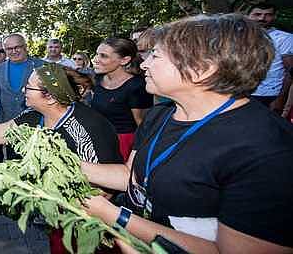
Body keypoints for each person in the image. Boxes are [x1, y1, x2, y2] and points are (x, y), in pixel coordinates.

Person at [81, 14, 293, 253]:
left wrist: (116, 217)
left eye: (156, 55)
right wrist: (67, 164)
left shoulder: (268, 151)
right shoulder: (160, 114)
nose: (144, 64)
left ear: (201, 69)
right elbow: (132, 175)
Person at [0, 63, 122, 254]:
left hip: (89, 223)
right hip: (59, 218)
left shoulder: (88, 128)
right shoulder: (35, 115)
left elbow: (105, 190)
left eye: (29, 87)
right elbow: (3, 131)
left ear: (49, 97)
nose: (24, 90)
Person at [91, 38, 153, 161]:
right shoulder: (97, 80)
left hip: (123, 145)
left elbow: (142, 124)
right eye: (97, 54)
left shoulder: (137, 86)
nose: (96, 60)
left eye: (103, 56)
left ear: (124, 60)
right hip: (98, 139)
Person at [246, 4, 293, 113]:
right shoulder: (239, 36)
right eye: (257, 14)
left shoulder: (285, 38)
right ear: (248, 16)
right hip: (242, 93)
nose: (262, 18)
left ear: (274, 17)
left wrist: (280, 99)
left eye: (268, 15)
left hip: (270, 94)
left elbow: (290, 72)